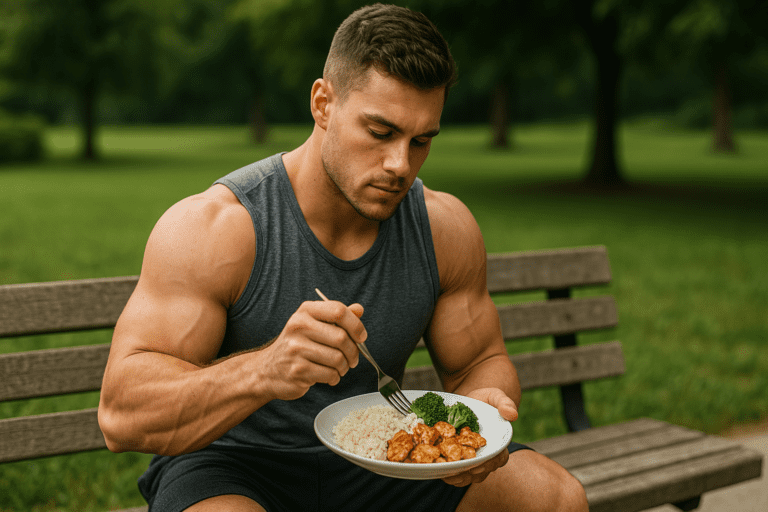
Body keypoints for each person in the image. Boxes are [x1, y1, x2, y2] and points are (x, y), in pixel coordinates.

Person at [98, 4, 588, 511]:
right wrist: (264, 370)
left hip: (381, 458)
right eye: (380, 133)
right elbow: (121, 416)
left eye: (421, 141)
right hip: (233, 466)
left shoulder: (444, 228)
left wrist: (482, 412)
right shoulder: (217, 228)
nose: (400, 165)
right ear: (323, 103)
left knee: (556, 499)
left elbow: (479, 363)